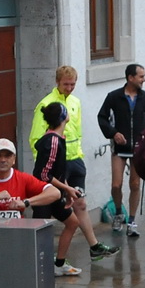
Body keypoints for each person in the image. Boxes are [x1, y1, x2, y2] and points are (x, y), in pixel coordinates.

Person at [30, 103, 117, 272]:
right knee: (40, 232)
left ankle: (59, 264)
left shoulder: (59, 139)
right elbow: (43, 175)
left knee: (72, 222)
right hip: (43, 194)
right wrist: (67, 189)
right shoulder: (52, 141)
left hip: (55, 193)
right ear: (63, 117)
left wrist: (67, 190)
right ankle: (37, 268)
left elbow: (58, 172)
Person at [97, 62, 145, 236]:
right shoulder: (114, 97)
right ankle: (118, 212)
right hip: (120, 147)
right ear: (130, 78)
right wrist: (113, 133)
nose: (144, 80)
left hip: (138, 147)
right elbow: (102, 117)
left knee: (135, 184)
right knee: (116, 185)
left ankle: (131, 220)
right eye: (141, 76)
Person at [0, 139, 62, 218]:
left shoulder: (22, 178)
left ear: (14, 159)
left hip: (17, 232)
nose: (3, 160)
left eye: (7, 156)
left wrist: (26, 202)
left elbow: (55, 193)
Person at [30, 65, 85, 193]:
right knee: (58, 202)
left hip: (75, 159)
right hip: (56, 163)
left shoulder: (75, 102)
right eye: (65, 84)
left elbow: (78, 131)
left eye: (73, 84)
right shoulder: (46, 104)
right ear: (57, 82)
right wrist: (43, 164)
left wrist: (79, 152)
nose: (69, 88)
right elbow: (36, 139)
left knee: (80, 202)